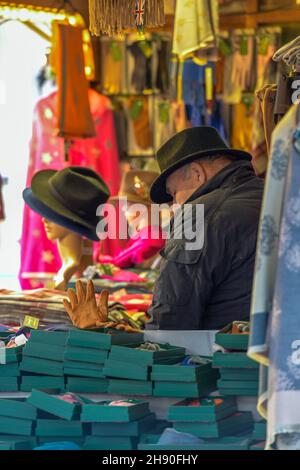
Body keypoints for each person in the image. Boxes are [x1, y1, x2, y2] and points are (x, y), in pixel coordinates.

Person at [146, 126, 264, 330]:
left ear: (196, 174)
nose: (175, 205)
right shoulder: (271, 194)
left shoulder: (198, 215)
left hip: (227, 355)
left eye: (174, 194)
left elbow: (171, 313)